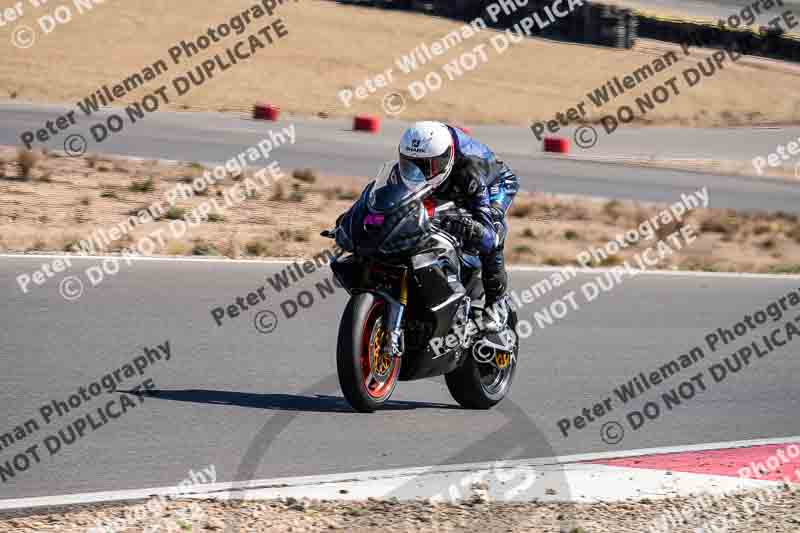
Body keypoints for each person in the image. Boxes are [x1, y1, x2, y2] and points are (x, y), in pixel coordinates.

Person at [397, 121, 519, 332]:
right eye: (411, 164)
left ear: (446, 158)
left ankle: (496, 304)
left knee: (493, 233)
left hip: (494, 184)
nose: (418, 173)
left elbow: (488, 236)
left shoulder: (469, 170)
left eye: (426, 167)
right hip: (450, 177)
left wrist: (472, 227)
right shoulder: (424, 150)